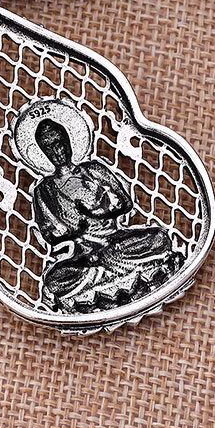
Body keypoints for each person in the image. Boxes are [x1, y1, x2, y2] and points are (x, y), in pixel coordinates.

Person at [31, 117, 180, 311]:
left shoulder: (93, 170)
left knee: (158, 238)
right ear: (43, 152)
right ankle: (112, 271)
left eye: (59, 143)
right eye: (49, 147)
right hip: (85, 257)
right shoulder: (45, 190)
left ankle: (108, 271)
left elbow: (126, 203)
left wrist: (100, 211)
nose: (57, 151)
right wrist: (71, 230)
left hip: (116, 241)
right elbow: (48, 234)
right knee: (54, 280)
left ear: (68, 141)